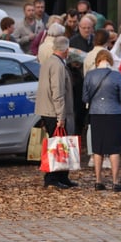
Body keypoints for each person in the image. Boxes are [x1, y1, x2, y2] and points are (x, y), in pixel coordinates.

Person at [82, 50, 121, 192]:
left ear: (97, 61)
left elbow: (85, 97)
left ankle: (98, 181)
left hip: (96, 113)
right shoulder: (116, 75)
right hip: (113, 113)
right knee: (114, 148)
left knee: (98, 148)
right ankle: (115, 182)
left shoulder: (90, 75)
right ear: (110, 60)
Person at [35, 36, 77, 190]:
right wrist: (61, 116)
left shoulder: (48, 62)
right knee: (57, 145)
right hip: (54, 111)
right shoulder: (58, 65)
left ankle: (62, 176)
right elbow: (57, 92)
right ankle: (52, 178)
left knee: (60, 144)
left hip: (47, 109)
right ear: (66, 50)